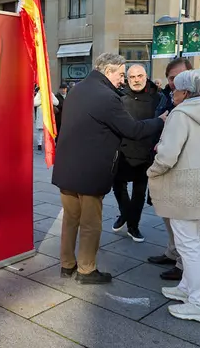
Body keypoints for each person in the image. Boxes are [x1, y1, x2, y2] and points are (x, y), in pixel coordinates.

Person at [52, 53, 163, 284]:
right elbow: (133, 130)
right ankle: (86, 270)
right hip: (90, 170)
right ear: (108, 71)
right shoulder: (106, 96)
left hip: (66, 167)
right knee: (91, 223)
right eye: (121, 74)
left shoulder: (77, 89)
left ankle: (67, 265)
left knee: (70, 219)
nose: (123, 79)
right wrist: (161, 120)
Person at [147, 69, 200, 323]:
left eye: (175, 89)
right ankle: (187, 289)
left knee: (187, 245)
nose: (172, 93)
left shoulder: (181, 114)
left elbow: (168, 156)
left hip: (183, 186)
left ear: (186, 93)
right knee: (194, 241)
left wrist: (153, 169)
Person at [146, 56, 192, 281]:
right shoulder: (167, 97)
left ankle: (183, 265)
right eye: (172, 78)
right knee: (169, 216)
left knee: (184, 223)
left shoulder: (194, 103)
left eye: (179, 77)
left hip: (182, 171)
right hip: (167, 168)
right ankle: (173, 252)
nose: (175, 82)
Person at [112, 64, 168, 242]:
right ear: (127, 79)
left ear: (146, 76)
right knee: (118, 186)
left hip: (146, 152)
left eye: (140, 76)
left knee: (139, 191)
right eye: (132, 77)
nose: (136, 80)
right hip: (121, 151)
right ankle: (125, 213)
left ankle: (133, 225)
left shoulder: (158, 97)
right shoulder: (119, 97)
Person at [33, 86, 59, 151]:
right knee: (40, 130)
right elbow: (34, 103)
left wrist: (49, 100)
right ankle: (39, 144)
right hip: (41, 114)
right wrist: (43, 100)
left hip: (49, 114)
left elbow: (57, 102)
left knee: (50, 130)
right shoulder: (39, 94)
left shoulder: (51, 93)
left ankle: (51, 143)